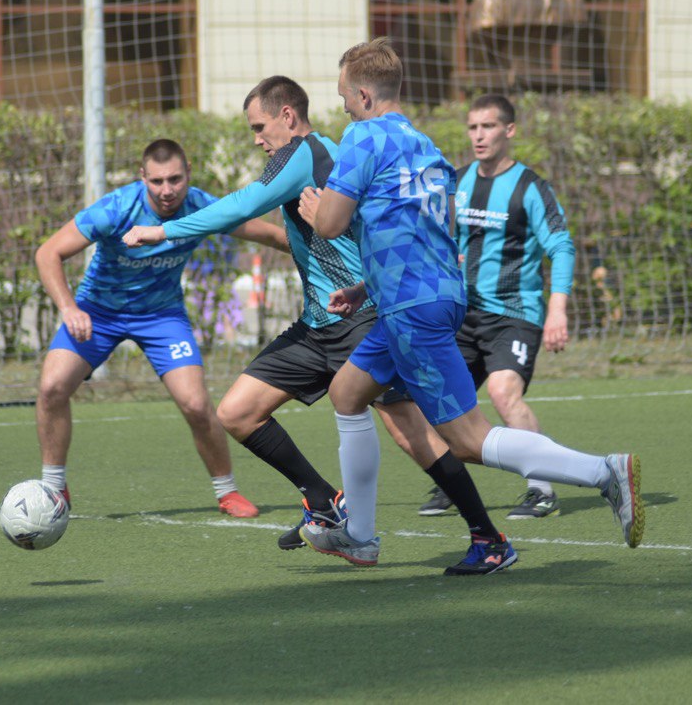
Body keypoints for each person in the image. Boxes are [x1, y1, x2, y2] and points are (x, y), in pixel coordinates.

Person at [123, 77, 503, 574]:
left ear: (287, 115)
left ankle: (486, 535)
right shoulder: (311, 154)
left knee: (413, 432)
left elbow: (242, 205)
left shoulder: (302, 151)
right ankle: (324, 499)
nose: (257, 138)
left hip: (361, 318)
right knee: (237, 412)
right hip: (319, 325)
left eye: (260, 127)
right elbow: (282, 226)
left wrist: (162, 230)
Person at [297, 38, 643, 572]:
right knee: (346, 392)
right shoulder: (426, 146)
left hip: (412, 309)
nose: (341, 104)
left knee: (467, 440)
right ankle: (360, 535)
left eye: (343, 94)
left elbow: (332, 225)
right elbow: (426, 231)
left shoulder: (363, 137)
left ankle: (603, 471)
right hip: (428, 297)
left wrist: (316, 209)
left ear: (364, 94)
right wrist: (368, 287)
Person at [33, 139, 287, 519]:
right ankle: (53, 487)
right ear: (142, 178)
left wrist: (322, 250)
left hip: (161, 317)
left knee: (197, 405)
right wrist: (69, 308)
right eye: (156, 181)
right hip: (97, 313)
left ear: (188, 176)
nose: (166, 190)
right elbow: (47, 253)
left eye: (174, 179)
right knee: (52, 387)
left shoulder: (201, 205)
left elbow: (265, 234)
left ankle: (227, 492)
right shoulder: (117, 208)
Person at [416, 93, 573, 520]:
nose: (479, 136)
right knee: (439, 397)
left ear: (509, 130)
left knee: (504, 393)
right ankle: (449, 483)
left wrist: (557, 310)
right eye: (472, 127)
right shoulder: (459, 180)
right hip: (462, 314)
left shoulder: (530, 187)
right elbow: (437, 236)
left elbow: (561, 246)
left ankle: (541, 489)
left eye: (488, 126)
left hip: (513, 315)